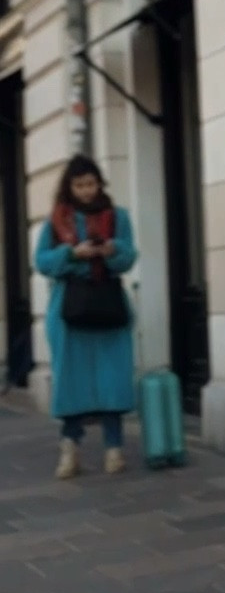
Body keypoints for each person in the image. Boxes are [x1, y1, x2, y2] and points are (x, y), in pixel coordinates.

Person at [34, 155, 137, 479]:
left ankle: (114, 450)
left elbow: (129, 255)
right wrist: (71, 253)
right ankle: (70, 451)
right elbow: (42, 261)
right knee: (71, 381)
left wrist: (112, 250)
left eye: (91, 183)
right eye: (79, 185)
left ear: (99, 183)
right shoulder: (56, 221)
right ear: (70, 186)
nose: (86, 191)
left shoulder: (118, 216)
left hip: (109, 305)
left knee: (113, 379)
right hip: (69, 308)